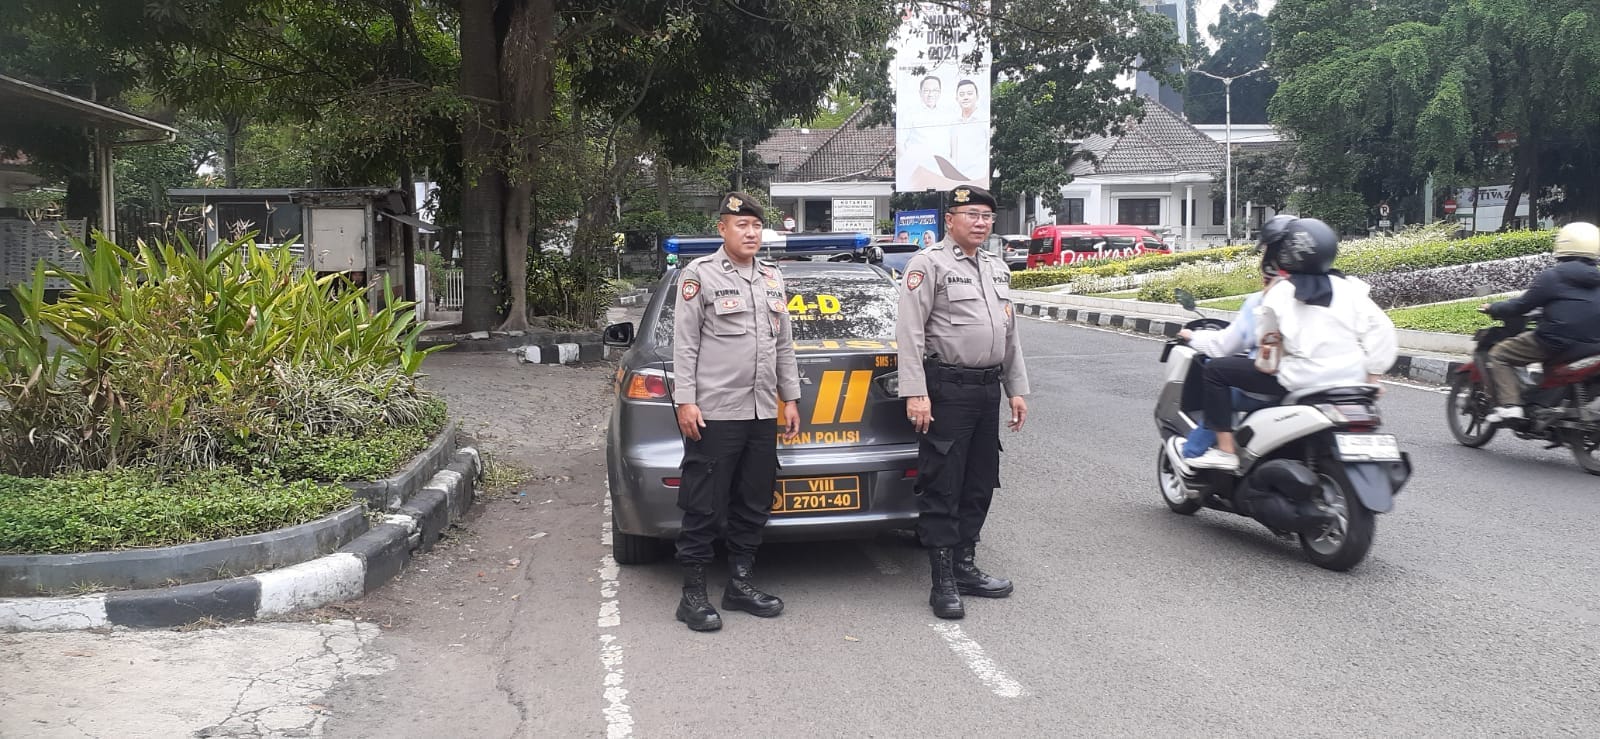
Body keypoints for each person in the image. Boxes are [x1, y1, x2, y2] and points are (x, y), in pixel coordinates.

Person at [670, 191, 802, 632]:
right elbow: (685, 344)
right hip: (715, 411)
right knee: (704, 504)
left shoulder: (771, 277)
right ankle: (692, 594)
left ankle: (740, 584)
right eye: (741, 225)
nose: (750, 232)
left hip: (762, 411)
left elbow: (783, 344)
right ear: (722, 229)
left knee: (754, 500)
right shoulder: (700, 274)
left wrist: (790, 397)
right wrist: (686, 400)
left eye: (756, 225)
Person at [896, 184, 1029, 620]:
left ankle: (964, 565)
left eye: (987, 216)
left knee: (979, 482)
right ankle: (942, 581)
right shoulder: (928, 264)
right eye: (972, 214)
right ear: (950, 220)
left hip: (987, 388)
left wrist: (1016, 389)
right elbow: (909, 333)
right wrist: (916, 392)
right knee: (944, 484)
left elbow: (1009, 335)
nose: (980, 223)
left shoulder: (996, 267)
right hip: (946, 390)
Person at [1188, 218, 1398, 471]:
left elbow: (1267, 359)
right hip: (1352, 382)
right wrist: (1373, 376)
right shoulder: (1350, 289)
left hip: (1301, 380)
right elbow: (1383, 329)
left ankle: (1225, 451)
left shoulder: (1279, 294)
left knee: (1215, 371)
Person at [1171, 215, 1297, 461]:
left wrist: (1192, 336)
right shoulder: (1336, 293)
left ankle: (1197, 453)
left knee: (1215, 374)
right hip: (1317, 385)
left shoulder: (1267, 298)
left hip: (1274, 385)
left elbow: (1224, 346)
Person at [1481, 222, 1600, 422]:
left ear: (1562, 245)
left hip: (1556, 341)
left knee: (1499, 354)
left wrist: (1494, 308)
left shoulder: (1553, 276)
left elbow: (1521, 305)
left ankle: (1511, 406)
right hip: (1593, 346)